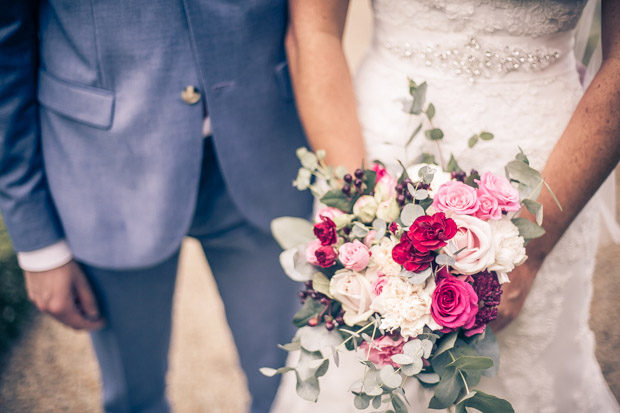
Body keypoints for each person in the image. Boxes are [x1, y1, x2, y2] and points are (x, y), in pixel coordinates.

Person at [272, 0, 620, 412]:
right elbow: (315, 30)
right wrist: (362, 213)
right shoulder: (363, 196)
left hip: (548, 173)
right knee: (361, 359)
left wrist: (532, 252)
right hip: (373, 151)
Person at [0, 1, 311, 412]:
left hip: (262, 145)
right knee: (134, 398)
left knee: (289, 382)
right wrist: (39, 245)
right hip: (102, 165)